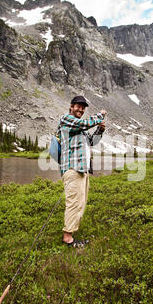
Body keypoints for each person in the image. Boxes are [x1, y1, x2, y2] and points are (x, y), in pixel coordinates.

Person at [56, 95, 107, 248]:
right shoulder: (66, 119)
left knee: (80, 203)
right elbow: (85, 123)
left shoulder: (80, 129)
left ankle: (70, 234)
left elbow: (92, 142)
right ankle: (68, 239)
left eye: (83, 107)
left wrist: (99, 130)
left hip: (82, 170)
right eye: (78, 106)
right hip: (72, 169)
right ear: (71, 106)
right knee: (74, 203)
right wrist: (100, 115)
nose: (81, 109)